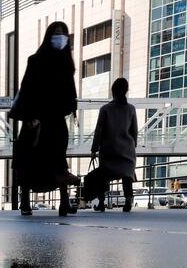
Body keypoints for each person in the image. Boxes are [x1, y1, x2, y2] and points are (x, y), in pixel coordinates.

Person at [9, 21, 78, 216]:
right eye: (57, 33)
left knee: (58, 157)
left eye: (64, 33)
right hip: (37, 118)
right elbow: (26, 89)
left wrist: (71, 107)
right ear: (49, 36)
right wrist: (29, 116)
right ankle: (25, 201)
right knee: (30, 160)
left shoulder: (66, 63)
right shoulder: (36, 60)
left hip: (56, 118)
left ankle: (64, 201)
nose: (60, 37)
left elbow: (70, 92)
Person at [89, 78, 138, 213]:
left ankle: (102, 202)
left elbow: (99, 130)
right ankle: (128, 200)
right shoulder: (131, 109)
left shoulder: (105, 109)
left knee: (103, 175)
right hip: (127, 149)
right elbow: (134, 131)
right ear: (126, 91)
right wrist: (133, 145)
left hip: (109, 149)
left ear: (113, 92)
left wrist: (94, 149)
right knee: (127, 175)